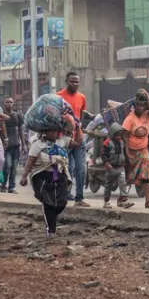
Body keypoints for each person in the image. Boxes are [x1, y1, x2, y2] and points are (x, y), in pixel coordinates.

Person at [20, 124, 76, 238]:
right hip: (43, 176)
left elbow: (78, 143)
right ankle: (50, 230)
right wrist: (24, 176)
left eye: (57, 131)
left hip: (60, 176)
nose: (56, 133)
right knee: (48, 203)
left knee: (62, 203)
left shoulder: (62, 141)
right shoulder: (38, 145)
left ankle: (52, 219)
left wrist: (78, 128)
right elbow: (30, 161)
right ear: (46, 132)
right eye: (53, 131)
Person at [57, 71, 90, 207]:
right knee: (66, 167)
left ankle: (79, 198)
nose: (75, 84)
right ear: (66, 81)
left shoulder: (82, 97)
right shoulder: (58, 97)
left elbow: (81, 114)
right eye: (72, 81)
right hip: (64, 137)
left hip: (79, 136)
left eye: (77, 82)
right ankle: (65, 194)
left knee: (81, 168)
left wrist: (79, 128)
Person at [122, 90, 149, 209]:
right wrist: (127, 153)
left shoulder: (147, 115)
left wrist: (147, 95)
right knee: (128, 177)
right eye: (139, 105)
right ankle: (122, 199)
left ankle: (148, 201)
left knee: (147, 175)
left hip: (143, 150)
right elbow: (125, 136)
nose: (141, 108)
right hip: (132, 151)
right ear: (135, 105)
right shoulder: (129, 119)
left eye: (143, 106)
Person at [100, 122, 133, 209]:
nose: (119, 137)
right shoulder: (107, 143)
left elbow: (124, 153)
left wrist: (126, 162)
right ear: (112, 134)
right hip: (111, 168)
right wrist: (106, 162)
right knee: (108, 185)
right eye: (117, 135)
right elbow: (103, 154)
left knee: (123, 183)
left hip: (120, 167)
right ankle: (106, 201)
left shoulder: (121, 142)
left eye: (120, 135)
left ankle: (125, 200)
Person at [0, 97, 26, 194]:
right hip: (6, 146)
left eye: (11, 102)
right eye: (7, 102)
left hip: (16, 145)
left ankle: (11, 187)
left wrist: (23, 144)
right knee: (8, 166)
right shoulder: (1, 116)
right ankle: (3, 185)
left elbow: (20, 131)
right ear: (4, 103)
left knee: (14, 168)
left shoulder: (17, 116)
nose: (9, 104)